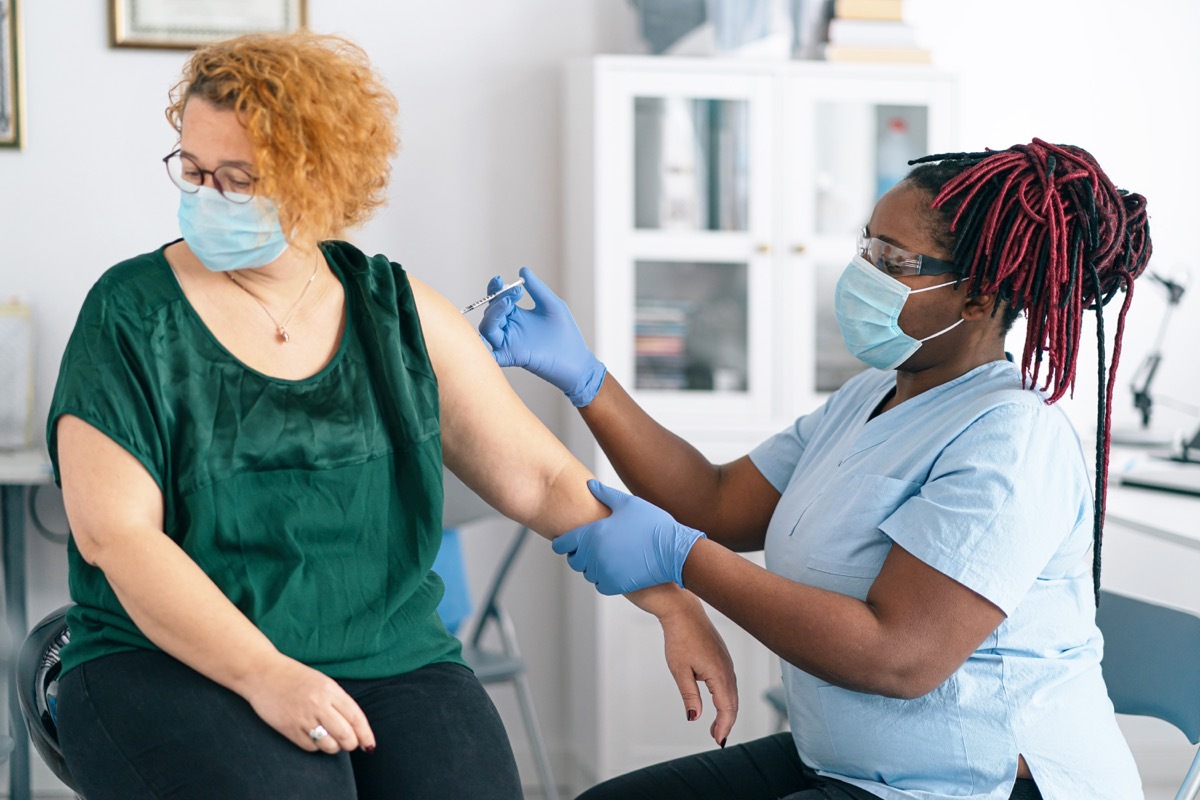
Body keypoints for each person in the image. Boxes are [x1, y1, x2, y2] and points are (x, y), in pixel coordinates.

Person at [47, 31, 739, 800]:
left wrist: (667, 600)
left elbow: (543, 482)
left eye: (235, 179)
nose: (203, 195)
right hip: (171, 658)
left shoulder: (397, 311)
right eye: (192, 168)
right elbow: (117, 535)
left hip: (392, 657)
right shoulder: (131, 313)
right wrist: (265, 673)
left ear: (319, 181)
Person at [479, 139, 1152, 800]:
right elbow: (714, 500)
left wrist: (683, 559)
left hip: (976, 783)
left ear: (976, 298)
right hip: (852, 762)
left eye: (892, 259)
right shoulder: (871, 395)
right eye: (866, 245)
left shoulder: (1012, 438)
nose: (863, 270)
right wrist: (586, 379)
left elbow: (899, 655)